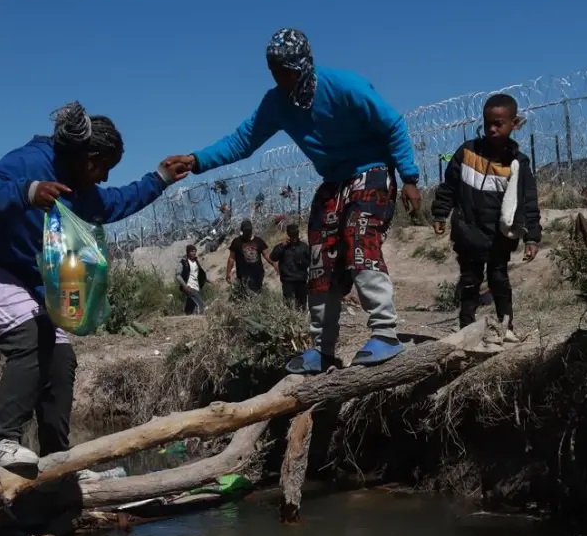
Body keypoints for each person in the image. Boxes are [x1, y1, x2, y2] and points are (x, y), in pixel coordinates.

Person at [0, 101, 191, 472]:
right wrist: (28, 191)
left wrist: (160, 179)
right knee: (29, 337)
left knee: (60, 357)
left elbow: (114, 202)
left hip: (17, 282)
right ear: (83, 154)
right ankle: (3, 442)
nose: (102, 177)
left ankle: (58, 462)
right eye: (100, 167)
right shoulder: (33, 161)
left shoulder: (80, 189)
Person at [164, 28, 421, 373]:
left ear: (301, 65)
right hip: (333, 181)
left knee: (360, 239)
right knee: (320, 261)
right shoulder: (276, 103)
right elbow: (242, 141)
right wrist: (196, 161)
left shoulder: (344, 86)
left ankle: (386, 334)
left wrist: (410, 178)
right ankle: (323, 349)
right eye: (271, 67)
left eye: (281, 67)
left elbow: (393, 125)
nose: (275, 74)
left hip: (370, 170)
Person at [431, 93, 542, 340]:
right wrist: (440, 213)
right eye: (488, 122)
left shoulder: (518, 164)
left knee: (499, 279)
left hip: (498, 237)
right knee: (469, 281)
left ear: (513, 124)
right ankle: (466, 328)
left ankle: (507, 327)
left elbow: (528, 203)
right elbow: (448, 186)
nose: (492, 129)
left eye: (499, 123)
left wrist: (532, 237)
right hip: (468, 232)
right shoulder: (467, 153)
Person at [270, 222, 311, 311]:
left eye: (295, 234)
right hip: (288, 280)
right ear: (288, 234)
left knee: (301, 306)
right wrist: (282, 246)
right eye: (292, 234)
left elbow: (311, 261)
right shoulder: (282, 246)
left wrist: (303, 263)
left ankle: (300, 323)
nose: (294, 236)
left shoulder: (304, 247)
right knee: (288, 306)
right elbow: (273, 257)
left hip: (301, 280)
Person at [226, 220, 270, 296]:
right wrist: (228, 273)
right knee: (251, 296)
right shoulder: (236, 242)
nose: (248, 232)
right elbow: (231, 259)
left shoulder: (258, 241)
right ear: (242, 231)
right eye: (246, 230)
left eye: (249, 230)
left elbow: (267, 255)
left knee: (258, 293)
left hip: (258, 274)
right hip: (244, 276)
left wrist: (276, 266)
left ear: (252, 229)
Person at [176, 245, 208, 315]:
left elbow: (201, 275)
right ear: (188, 252)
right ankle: (200, 319)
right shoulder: (183, 262)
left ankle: (187, 317)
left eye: (195, 251)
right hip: (188, 287)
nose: (194, 253)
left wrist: (210, 281)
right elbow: (178, 275)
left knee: (190, 307)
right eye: (192, 251)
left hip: (196, 286)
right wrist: (185, 285)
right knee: (200, 304)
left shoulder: (196, 262)